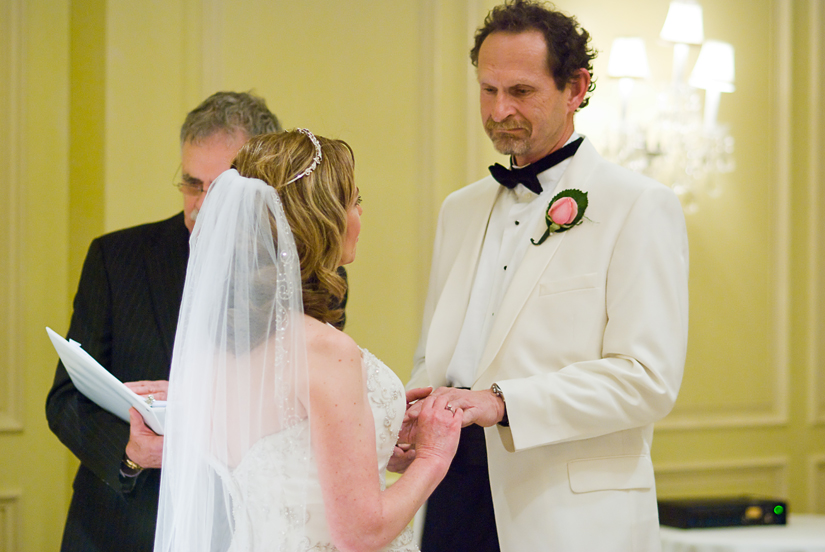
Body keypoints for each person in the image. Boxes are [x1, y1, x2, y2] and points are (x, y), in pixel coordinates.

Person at [398, 1, 690, 551]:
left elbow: (646, 378)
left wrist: (503, 401)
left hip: (565, 515)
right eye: (489, 90)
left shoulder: (639, 205)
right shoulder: (458, 209)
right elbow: (438, 354)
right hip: (446, 489)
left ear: (575, 88)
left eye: (521, 92)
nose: (499, 109)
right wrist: (415, 424)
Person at [153, 129, 463, 552]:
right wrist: (433, 457)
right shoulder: (324, 350)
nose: (359, 215)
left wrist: (376, 435)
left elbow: (287, 456)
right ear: (322, 219)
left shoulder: (216, 343)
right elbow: (361, 533)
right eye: (353, 200)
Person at [45, 91, 281, 552]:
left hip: (243, 528)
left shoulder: (302, 276)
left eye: (219, 188)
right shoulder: (117, 259)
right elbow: (65, 399)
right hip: (120, 527)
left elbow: (297, 406)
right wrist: (129, 455)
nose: (199, 205)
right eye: (192, 184)